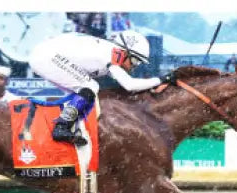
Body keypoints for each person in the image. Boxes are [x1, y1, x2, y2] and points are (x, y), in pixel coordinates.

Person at [30, 29, 160, 144]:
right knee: (90, 86)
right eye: (135, 61)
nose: (134, 66)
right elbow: (129, 85)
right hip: (46, 57)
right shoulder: (113, 54)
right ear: (124, 51)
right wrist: (161, 80)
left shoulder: (110, 50)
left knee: (82, 90)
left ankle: (59, 123)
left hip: (45, 54)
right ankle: (61, 127)